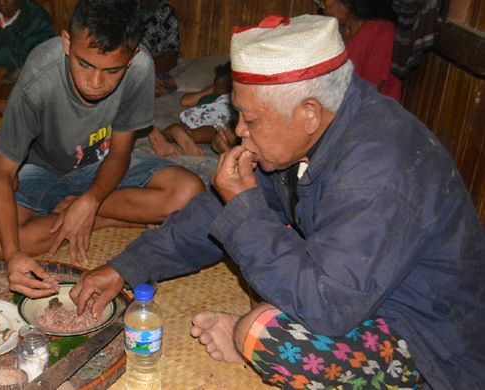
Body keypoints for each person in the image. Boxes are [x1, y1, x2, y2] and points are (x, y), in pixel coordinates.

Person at [71, 14, 484, 389]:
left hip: (432, 342)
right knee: (255, 242)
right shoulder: (313, 131)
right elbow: (216, 213)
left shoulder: (378, 170)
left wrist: (245, 208)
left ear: (307, 113)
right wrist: (125, 267)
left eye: (250, 120)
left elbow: (328, 309)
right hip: (359, 290)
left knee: (263, 333)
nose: (239, 131)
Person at [0, 0, 205, 297]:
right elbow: (3, 173)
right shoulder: (38, 77)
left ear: (133, 57)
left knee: (190, 194)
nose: (96, 83)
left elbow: (120, 152)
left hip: (101, 162)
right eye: (85, 64)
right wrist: (12, 255)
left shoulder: (140, 69)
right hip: (41, 171)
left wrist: (90, 199)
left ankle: (84, 212)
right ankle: (101, 219)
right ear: (67, 42)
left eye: (112, 71)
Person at [149, 62, 237, 157]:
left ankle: (168, 134)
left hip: (196, 117)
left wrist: (215, 87)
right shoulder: (227, 97)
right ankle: (184, 135)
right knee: (216, 132)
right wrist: (215, 88)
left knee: (178, 128)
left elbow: (185, 101)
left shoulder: (211, 97)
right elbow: (185, 101)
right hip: (220, 118)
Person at [319, 0, 402, 101]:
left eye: (325, 2)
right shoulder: (335, 33)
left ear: (347, 5)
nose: (322, 5)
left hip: (372, 111)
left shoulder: (381, 31)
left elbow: (372, 88)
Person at [141, 0, 181, 96]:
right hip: (121, 70)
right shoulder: (115, 10)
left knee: (164, 87)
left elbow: (172, 56)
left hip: (151, 69)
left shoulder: (163, 10)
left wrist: (147, 74)